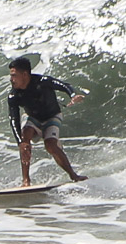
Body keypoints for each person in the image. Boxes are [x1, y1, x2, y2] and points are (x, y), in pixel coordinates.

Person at [6, 56, 88, 186]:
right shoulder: (14, 95)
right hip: (32, 118)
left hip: (51, 116)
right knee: (24, 137)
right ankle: (26, 180)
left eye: (14, 75)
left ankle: (73, 175)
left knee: (50, 145)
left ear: (25, 74)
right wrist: (20, 143)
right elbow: (13, 118)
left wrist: (72, 95)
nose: (11, 79)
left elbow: (63, 85)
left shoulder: (43, 81)